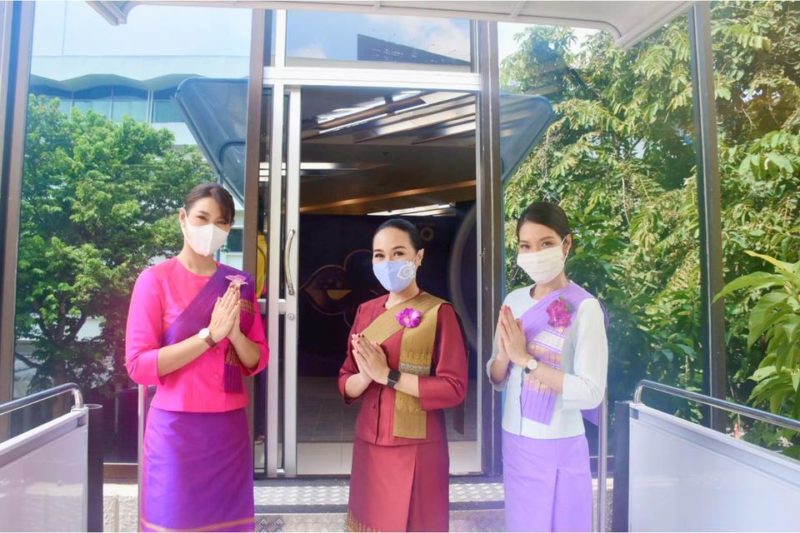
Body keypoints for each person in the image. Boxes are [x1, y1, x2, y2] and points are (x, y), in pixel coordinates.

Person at [125, 182, 269, 532]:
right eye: (202, 218)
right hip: (175, 432)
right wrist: (208, 337)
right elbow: (139, 365)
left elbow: (257, 360)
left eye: (221, 223)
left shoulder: (239, 284)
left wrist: (233, 334)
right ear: (182, 218)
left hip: (228, 430)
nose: (211, 229)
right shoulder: (154, 281)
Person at [339, 218, 468, 532]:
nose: (387, 262)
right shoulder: (366, 312)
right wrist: (368, 376)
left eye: (398, 253)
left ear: (418, 257)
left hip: (418, 449)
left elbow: (454, 388)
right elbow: (346, 380)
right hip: (369, 445)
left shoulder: (439, 312)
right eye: (379, 255)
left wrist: (388, 375)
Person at [487, 201, 608, 532]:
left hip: (559, 443)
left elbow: (592, 392)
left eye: (546, 244)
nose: (535, 253)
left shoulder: (584, 308)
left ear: (566, 244)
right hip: (515, 439)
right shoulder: (514, 300)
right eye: (526, 246)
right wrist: (505, 357)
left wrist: (526, 360)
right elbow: (498, 378)